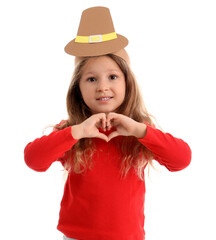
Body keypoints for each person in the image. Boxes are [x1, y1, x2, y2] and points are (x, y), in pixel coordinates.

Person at [24, 6, 191, 240]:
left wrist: (141, 131)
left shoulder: (139, 130)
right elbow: (34, 160)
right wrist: (77, 131)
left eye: (112, 77)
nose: (102, 86)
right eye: (91, 79)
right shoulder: (72, 131)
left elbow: (181, 160)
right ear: (78, 89)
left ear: (127, 83)